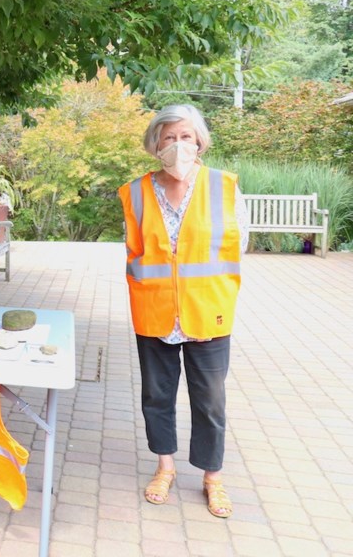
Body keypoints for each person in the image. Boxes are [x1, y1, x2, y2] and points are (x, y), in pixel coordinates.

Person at [117, 104, 250, 519]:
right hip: (154, 309)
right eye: (169, 137)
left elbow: (237, 245)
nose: (178, 145)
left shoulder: (224, 187)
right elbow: (133, 247)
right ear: (155, 143)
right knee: (157, 396)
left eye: (186, 137)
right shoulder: (135, 191)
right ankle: (165, 467)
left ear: (200, 142)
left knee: (209, 399)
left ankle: (212, 477)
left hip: (207, 310)